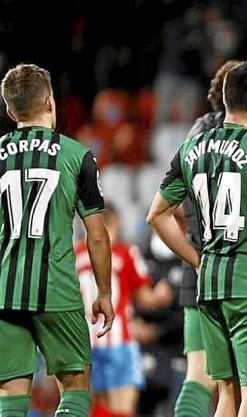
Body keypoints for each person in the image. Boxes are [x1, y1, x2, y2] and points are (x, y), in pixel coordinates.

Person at [147, 61, 247, 417]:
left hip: (209, 280)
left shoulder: (191, 147)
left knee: (223, 391)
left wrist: (197, 258)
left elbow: (156, 214)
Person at [0, 64, 114, 417]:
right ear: (50, 101)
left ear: (9, 110)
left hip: (4, 289)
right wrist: (104, 293)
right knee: (76, 389)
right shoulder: (77, 155)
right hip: (57, 289)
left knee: (11, 397)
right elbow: (96, 234)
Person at [174, 59, 242, 417]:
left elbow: (165, 205)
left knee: (198, 376)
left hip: (197, 264)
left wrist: (193, 244)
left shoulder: (191, 140)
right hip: (241, 270)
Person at [75, 202, 173, 417]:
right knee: (122, 409)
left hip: (83, 343)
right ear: (114, 223)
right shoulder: (123, 252)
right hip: (119, 342)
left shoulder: (73, 255)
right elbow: (146, 299)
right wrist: (161, 295)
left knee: (90, 406)